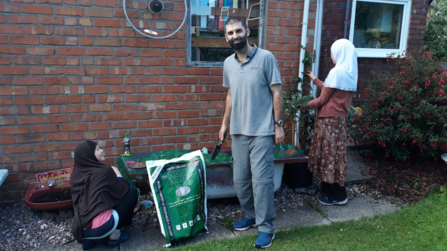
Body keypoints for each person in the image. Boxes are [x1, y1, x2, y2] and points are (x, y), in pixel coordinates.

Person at [219, 17, 284, 249]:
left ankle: (266, 227)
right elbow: (230, 95)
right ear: (226, 37)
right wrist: (225, 124)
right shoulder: (228, 63)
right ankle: (252, 214)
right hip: (238, 130)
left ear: (247, 31)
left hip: (262, 131)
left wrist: (278, 125)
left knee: (262, 181)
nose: (235, 36)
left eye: (238, 31)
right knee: (240, 180)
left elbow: (277, 92)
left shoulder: (266, 58)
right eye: (230, 33)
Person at [301, 38, 358, 205]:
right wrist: (314, 79)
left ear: (340, 53)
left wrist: (301, 106)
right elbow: (330, 90)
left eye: (333, 53)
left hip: (328, 122)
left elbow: (321, 100)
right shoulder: (350, 72)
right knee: (335, 156)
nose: (332, 56)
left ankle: (334, 196)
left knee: (327, 156)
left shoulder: (336, 72)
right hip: (339, 122)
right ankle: (339, 192)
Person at [71, 141, 138, 250]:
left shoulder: (76, 175)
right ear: (89, 155)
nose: (101, 150)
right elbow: (122, 189)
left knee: (91, 201)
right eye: (97, 149)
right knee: (131, 192)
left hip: (80, 229)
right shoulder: (104, 171)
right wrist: (118, 174)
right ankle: (114, 236)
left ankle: (89, 241)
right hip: (102, 226)